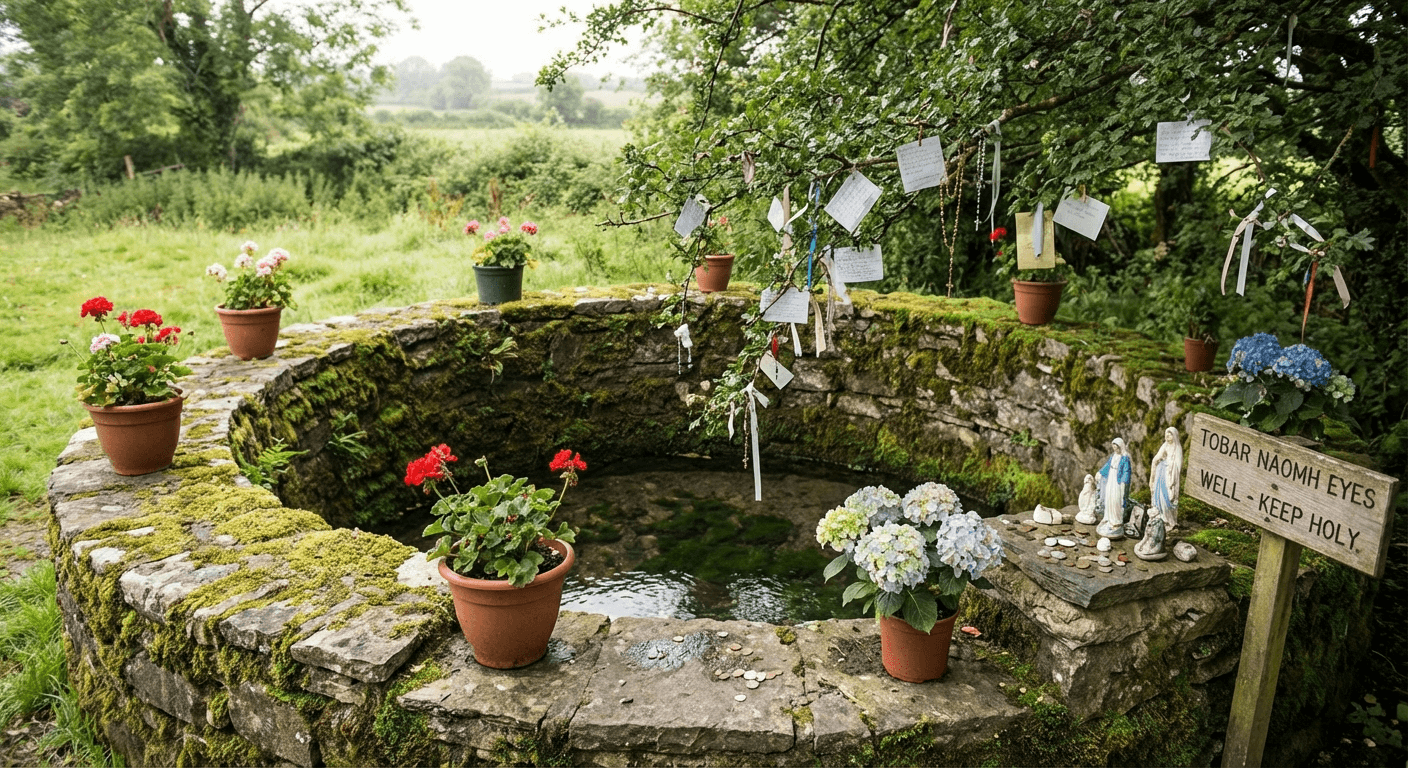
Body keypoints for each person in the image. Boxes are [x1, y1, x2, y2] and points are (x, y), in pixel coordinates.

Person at [1095, 438, 1131, 540]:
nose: (1115, 448)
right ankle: (1108, 517)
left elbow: (1126, 471)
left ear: (1121, 447)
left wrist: (1124, 481)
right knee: (1109, 498)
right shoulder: (1113, 456)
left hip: (1118, 482)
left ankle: (1116, 521)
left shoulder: (1125, 458)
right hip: (1111, 479)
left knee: (1116, 500)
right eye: (1113, 446)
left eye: (1117, 446)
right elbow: (1107, 466)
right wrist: (1100, 473)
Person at [1149, 427, 1183, 531]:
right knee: (1159, 495)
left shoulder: (1177, 448)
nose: (1168, 436)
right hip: (1162, 473)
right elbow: (1158, 456)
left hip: (1170, 475)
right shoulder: (1165, 445)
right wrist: (1156, 461)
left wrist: (1171, 467)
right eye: (1166, 434)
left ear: (1175, 436)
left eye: (1170, 434)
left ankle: (1168, 519)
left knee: (1168, 497)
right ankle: (1160, 515)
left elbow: (1178, 465)